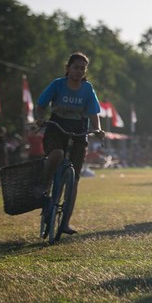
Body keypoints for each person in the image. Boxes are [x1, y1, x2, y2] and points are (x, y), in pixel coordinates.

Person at [35, 52, 105, 235]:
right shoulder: (57, 84)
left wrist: (97, 129)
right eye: (76, 67)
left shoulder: (87, 88)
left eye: (82, 68)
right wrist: (40, 119)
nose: (79, 71)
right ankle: (44, 184)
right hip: (56, 127)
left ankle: (65, 223)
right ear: (68, 68)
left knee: (73, 180)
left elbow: (93, 113)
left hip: (79, 130)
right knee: (56, 154)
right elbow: (41, 105)